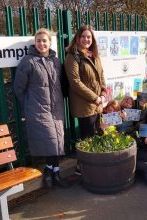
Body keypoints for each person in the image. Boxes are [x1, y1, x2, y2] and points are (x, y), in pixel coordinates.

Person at [14, 28, 69, 189]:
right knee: (52, 141)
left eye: (45, 40)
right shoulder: (28, 61)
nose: (41, 43)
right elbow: (19, 88)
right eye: (39, 41)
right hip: (38, 109)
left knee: (57, 141)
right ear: (35, 43)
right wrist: (30, 104)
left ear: (49, 43)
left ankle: (53, 172)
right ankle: (51, 173)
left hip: (56, 108)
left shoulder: (55, 61)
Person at [64, 25, 106, 175]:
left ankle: (91, 166)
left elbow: (101, 76)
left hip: (97, 103)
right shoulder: (72, 56)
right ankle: (82, 168)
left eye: (89, 37)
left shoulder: (93, 54)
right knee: (87, 138)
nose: (86, 39)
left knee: (95, 135)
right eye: (83, 37)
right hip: (84, 105)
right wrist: (95, 97)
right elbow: (75, 82)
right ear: (77, 38)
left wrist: (103, 93)